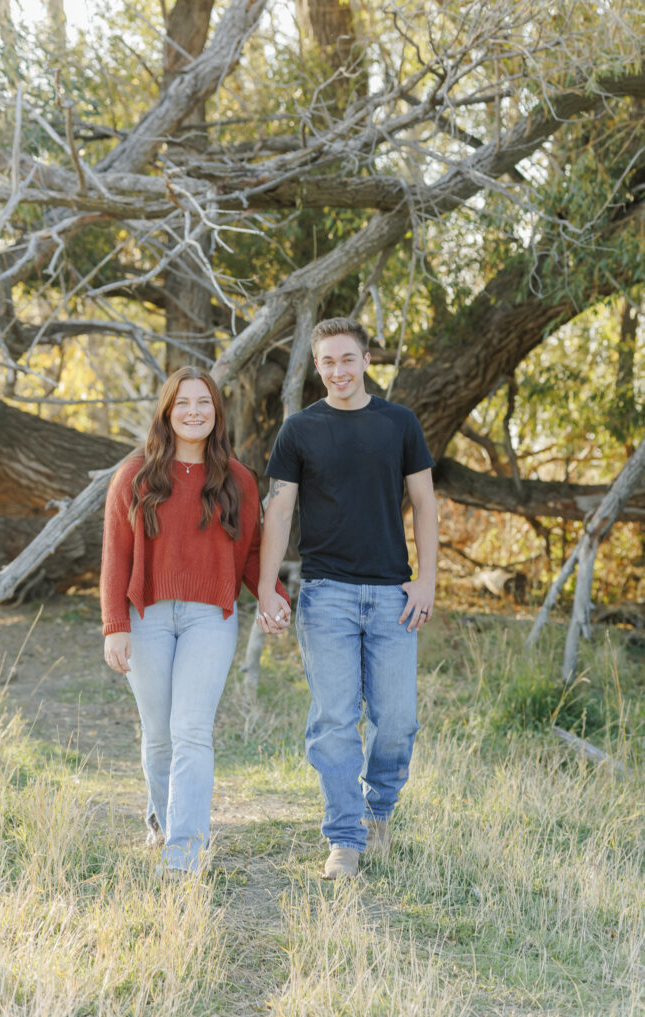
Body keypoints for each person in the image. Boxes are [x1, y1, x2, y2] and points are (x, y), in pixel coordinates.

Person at [257, 317, 438, 879]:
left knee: (397, 721)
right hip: (326, 594)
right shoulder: (300, 431)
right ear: (317, 368)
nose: (338, 371)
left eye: (347, 359)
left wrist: (427, 578)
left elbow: (425, 506)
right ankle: (344, 837)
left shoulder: (399, 424)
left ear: (365, 360)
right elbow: (280, 511)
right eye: (328, 362)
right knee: (333, 720)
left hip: (392, 594)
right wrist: (267, 585)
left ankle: (377, 811)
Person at [100, 366, 289, 874]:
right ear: (167, 411)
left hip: (211, 617)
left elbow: (250, 552)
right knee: (158, 735)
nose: (193, 411)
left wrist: (271, 595)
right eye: (183, 403)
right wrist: (114, 624)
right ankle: (163, 819)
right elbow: (116, 556)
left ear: (216, 413)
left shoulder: (238, 480)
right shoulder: (136, 475)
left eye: (203, 403)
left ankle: (184, 851)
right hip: (147, 618)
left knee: (191, 730)